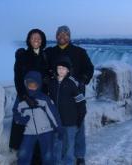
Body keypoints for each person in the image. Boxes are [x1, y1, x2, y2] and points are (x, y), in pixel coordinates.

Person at [46, 25, 94, 165]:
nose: (62, 36)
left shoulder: (79, 52)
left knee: (78, 126)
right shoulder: (50, 52)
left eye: (65, 34)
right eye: (60, 34)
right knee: (58, 128)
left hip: (75, 96)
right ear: (56, 36)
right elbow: (44, 68)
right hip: (57, 97)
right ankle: (60, 155)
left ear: (69, 36)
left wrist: (83, 80)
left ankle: (79, 155)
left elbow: (89, 68)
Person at [9, 29, 49, 164]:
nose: (36, 40)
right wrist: (25, 97)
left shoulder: (45, 56)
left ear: (42, 40)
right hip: (25, 97)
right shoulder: (22, 56)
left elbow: (47, 75)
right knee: (23, 129)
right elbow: (18, 78)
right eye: (33, 37)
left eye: (39, 38)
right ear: (29, 40)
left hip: (40, 98)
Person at [15, 71, 62, 165]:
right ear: (26, 84)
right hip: (29, 131)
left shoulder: (44, 99)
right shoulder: (21, 100)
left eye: (34, 84)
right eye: (29, 84)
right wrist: (21, 120)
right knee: (23, 153)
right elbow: (16, 113)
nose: (31, 87)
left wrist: (59, 129)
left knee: (47, 155)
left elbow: (53, 115)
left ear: (39, 84)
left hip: (46, 131)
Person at [49, 61, 86, 165]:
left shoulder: (72, 83)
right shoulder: (52, 83)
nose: (61, 70)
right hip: (56, 122)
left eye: (63, 68)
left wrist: (80, 118)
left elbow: (81, 102)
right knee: (57, 145)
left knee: (68, 146)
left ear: (68, 70)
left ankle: (68, 163)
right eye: (59, 68)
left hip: (70, 122)